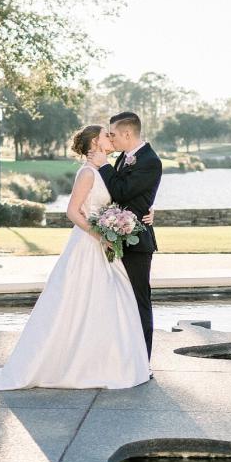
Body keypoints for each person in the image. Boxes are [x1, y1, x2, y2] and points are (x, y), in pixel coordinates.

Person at [0, 125, 151, 390]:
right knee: (76, 301)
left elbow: (121, 198)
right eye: (106, 135)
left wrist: (145, 213)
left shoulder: (106, 169)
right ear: (94, 142)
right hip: (87, 245)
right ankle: (64, 364)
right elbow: (72, 211)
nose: (110, 138)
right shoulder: (87, 173)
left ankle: (103, 363)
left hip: (104, 245)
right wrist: (99, 234)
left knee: (110, 301)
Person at [87, 111, 162, 358]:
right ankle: (120, 358)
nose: (111, 138)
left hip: (137, 244)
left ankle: (142, 361)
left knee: (139, 303)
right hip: (115, 239)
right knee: (117, 302)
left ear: (127, 133)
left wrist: (104, 165)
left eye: (114, 134)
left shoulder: (150, 160)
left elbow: (122, 191)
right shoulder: (123, 157)